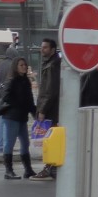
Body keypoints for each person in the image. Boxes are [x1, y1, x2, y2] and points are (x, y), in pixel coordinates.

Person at [0, 57, 37, 180]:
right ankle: (8, 171)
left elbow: (30, 99)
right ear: (15, 67)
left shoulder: (26, 81)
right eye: (21, 65)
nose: (24, 67)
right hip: (11, 116)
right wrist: (19, 103)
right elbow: (5, 97)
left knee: (25, 142)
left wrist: (34, 112)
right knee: (9, 143)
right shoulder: (12, 80)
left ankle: (28, 170)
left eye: (25, 65)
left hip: (22, 117)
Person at [30, 38, 61, 181]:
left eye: (45, 48)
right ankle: (52, 168)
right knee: (50, 139)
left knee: (49, 140)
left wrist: (42, 110)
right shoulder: (49, 64)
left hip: (50, 109)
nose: (42, 50)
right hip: (50, 108)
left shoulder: (53, 65)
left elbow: (50, 90)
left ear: (53, 50)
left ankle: (49, 167)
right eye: (42, 47)